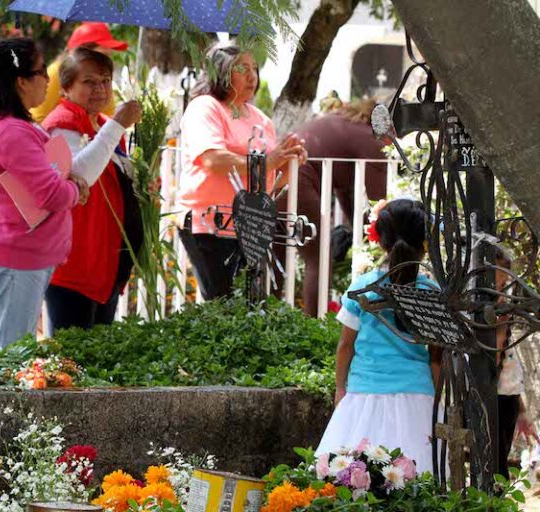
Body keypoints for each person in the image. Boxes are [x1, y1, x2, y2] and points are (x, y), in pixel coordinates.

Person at [0, 38, 89, 351]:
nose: (48, 80)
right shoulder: (11, 131)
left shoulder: (12, 126)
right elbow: (50, 194)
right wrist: (75, 188)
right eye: (41, 72)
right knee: (11, 362)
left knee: (15, 358)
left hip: (24, 256)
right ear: (21, 81)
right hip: (17, 257)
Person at [316, 198, 441, 474]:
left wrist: (340, 388)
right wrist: (439, 402)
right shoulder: (430, 293)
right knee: (416, 479)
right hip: (417, 397)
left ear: (381, 241)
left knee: (353, 476)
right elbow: (436, 358)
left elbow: (345, 345)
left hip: (364, 396)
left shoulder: (363, 288)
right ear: (424, 243)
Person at [176, 41, 306, 300]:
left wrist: (290, 162)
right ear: (220, 73)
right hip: (211, 223)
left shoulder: (260, 118)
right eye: (241, 68)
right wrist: (268, 161)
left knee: (251, 307)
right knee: (223, 304)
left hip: (251, 223)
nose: (251, 76)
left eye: (254, 68)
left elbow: (269, 182)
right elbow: (212, 158)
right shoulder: (205, 107)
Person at [42, 47, 142, 333]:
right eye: (89, 82)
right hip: (75, 263)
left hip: (102, 260)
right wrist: (118, 125)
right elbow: (79, 175)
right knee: (71, 363)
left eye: (105, 80)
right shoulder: (60, 125)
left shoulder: (98, 123)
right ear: (66, 88)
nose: (100, 89)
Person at [278, 99, 389, 316]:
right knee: (319, 255)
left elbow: (345, 191)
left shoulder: (343, 124)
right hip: (298, 178)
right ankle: (313, 324)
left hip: (277, 176)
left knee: (277, 254)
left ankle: (263, 319)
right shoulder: (369, 137)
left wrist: (362, 232)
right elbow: (380, 202)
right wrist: (382, 235)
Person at [494, 246, 540, 477]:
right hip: (492, 404)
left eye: (504, 286)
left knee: (500, 466)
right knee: (495, 469)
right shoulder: (487, 324)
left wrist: (521, 410)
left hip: (507, 401)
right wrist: (501, 332)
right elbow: (489, 372)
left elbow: (508, 370)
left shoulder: (501, 317)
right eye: (496, 287)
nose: (502, 295)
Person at [31, 22, 128, 123]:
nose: (107, 61)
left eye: (108, 56)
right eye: (102, 55)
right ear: (81, 55)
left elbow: (108, 118)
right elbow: (37, 121)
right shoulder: (55, 73)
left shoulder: (101, 79)